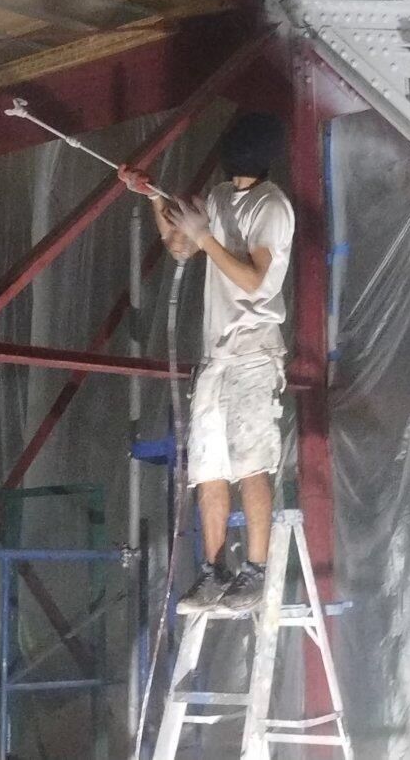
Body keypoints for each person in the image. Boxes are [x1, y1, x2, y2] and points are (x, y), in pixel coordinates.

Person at [118, 112, 294, 614]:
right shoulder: (218, 197)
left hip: (253, 354)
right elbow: (180, 248)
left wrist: (206, 237)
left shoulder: (271, 205)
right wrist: (154, 198)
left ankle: (255, 571)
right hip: (216, 359)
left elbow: (255, 282)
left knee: (251, 463)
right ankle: (214, 571)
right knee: (209, 468)